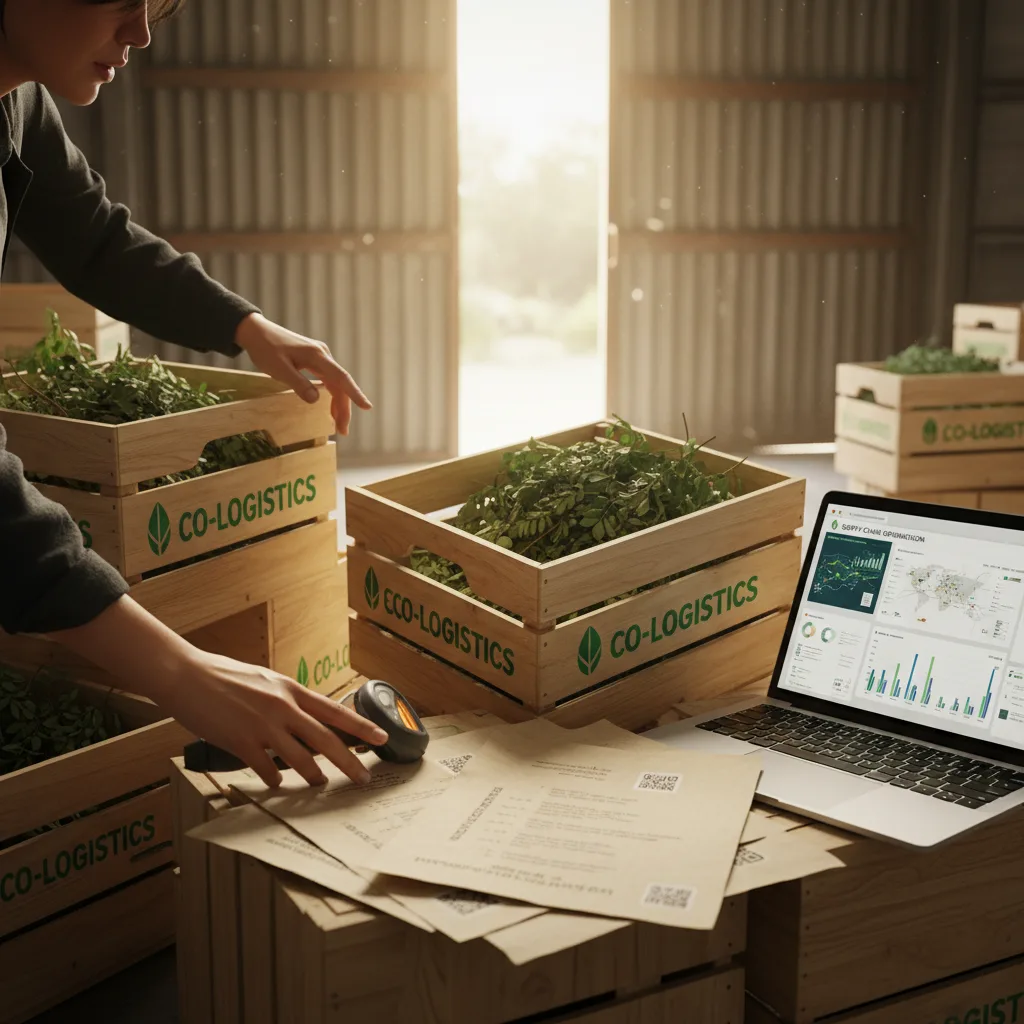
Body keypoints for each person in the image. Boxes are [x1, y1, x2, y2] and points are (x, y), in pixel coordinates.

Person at [0, 0, 388, 789]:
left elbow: (95, 237)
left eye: (158, 6)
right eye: (120, 2)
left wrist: (246, 326)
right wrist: (179, 672)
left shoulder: (17, 98)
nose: (140, 33)